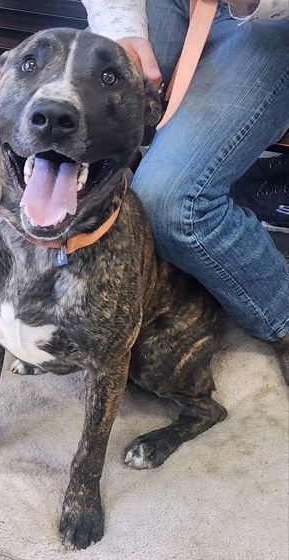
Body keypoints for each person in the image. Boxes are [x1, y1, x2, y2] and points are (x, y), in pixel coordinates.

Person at [82, 0, 289, 381]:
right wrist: (119, 24)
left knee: (172, 205)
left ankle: (283, 314)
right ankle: (77, 277)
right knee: (86, 112)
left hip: (273, 21)